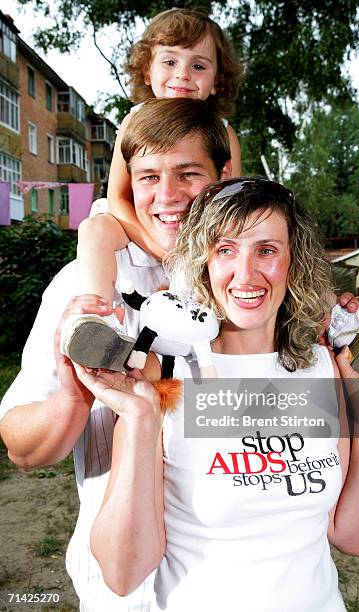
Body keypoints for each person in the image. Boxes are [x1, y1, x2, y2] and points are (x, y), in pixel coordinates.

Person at [73, 177, 359, 611]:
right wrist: (140, 418)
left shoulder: (319, 366)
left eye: (266, 250)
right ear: (203, 262)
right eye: (226, 250)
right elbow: (122, 573)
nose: (246, 274)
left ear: (292, 261)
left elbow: (349, 535)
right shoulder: (165, 371)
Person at [0, 97, 233, 611]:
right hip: (124, 594)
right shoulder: (87, 287)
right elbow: (23, 449)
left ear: (224, 174)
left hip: (239, 581)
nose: (166, 196)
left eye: (188, 173)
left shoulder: (250, 286)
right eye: (148, 177)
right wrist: (73, 393)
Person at [75, 8, 242, 314]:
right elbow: (118, 197)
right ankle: (94, 318)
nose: (183, 74)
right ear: (147, 71)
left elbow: (230, 206)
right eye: (169, 61)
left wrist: (191, 258)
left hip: (194, 232)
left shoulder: (223, 132)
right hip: (134, 222)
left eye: (199, 65)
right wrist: (157, 248)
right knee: (94, 230)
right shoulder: (134, 121)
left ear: (217, 80)